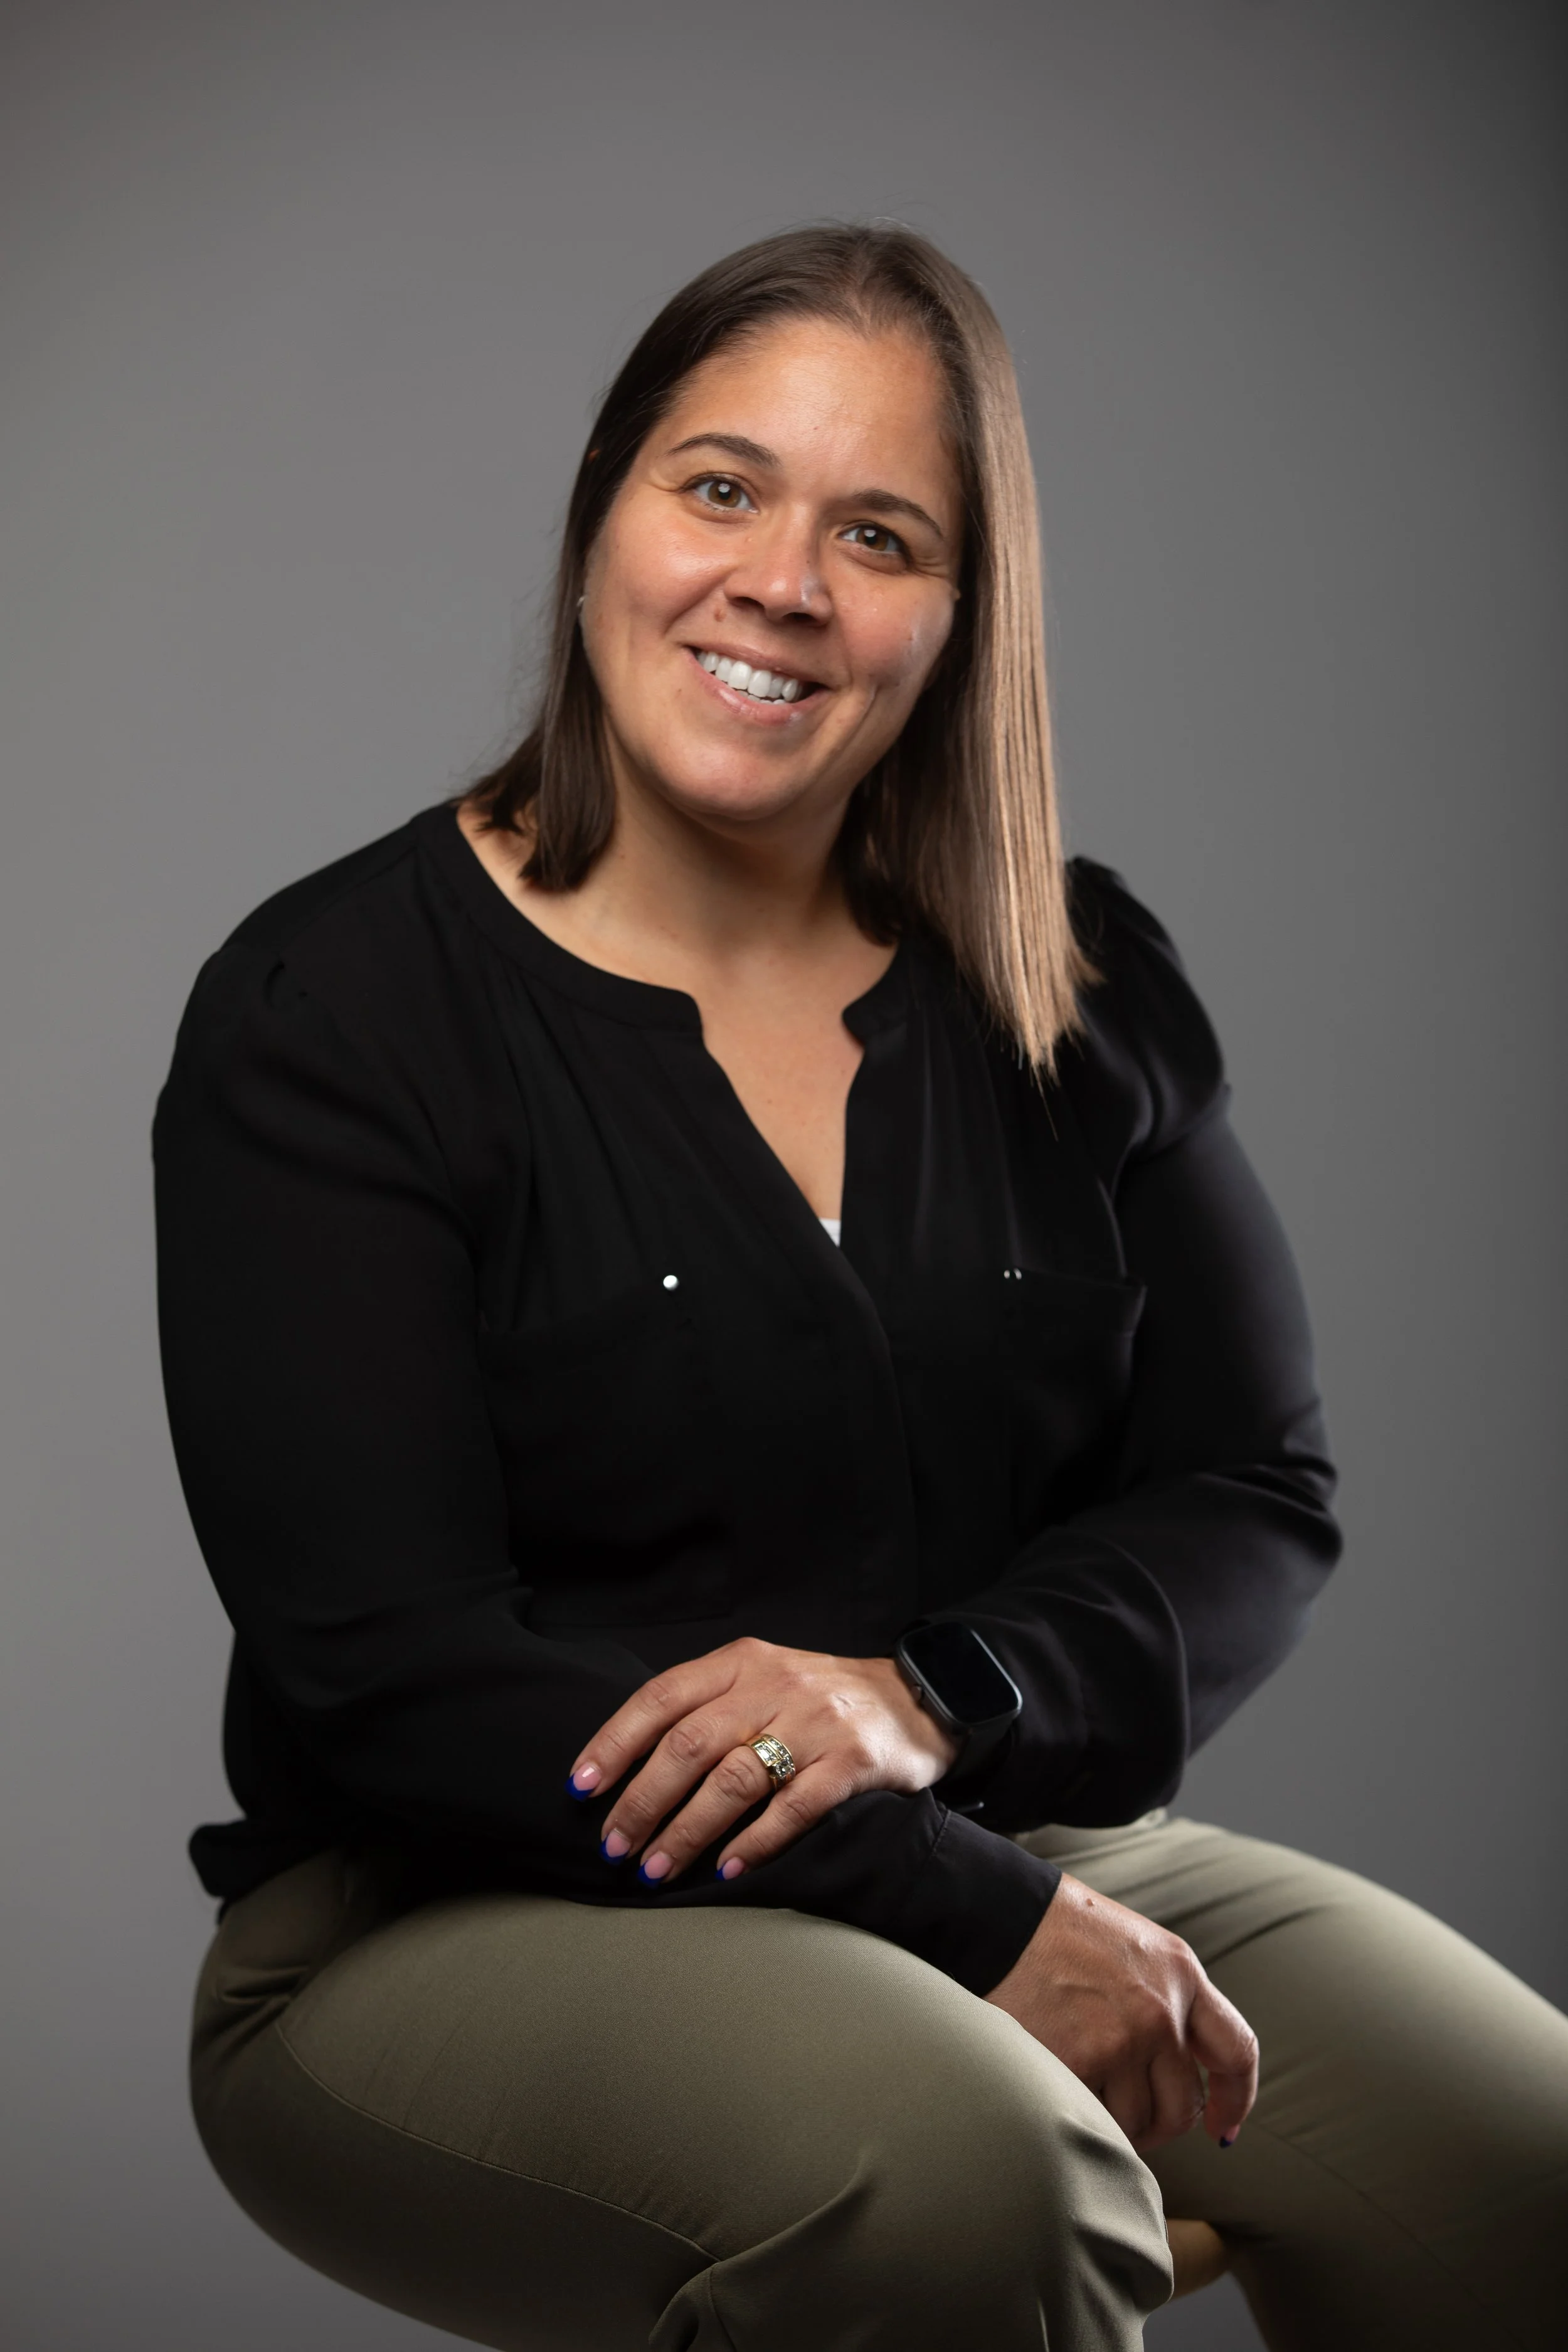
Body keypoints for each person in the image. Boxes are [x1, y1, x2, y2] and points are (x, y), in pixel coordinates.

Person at [155, 225, 1568, 2352]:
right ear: (601, 514)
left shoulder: (1068, 978)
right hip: (446, 1916)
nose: (783, 583)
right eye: (720, 488)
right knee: (973, 2180)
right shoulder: (334, 1010)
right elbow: (391, 1674)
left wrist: (937, 1698)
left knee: (1527, 2167)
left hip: (1006, 1830)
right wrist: (969, 1912)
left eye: (878, 534)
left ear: (959, 615)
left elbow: (1252, 1493)